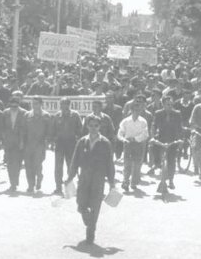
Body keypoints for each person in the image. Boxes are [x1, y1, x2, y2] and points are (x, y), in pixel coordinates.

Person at [66, 114, 116, 245]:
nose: (93, 128)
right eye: (91, 125)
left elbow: (110, 163)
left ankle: (91, 230)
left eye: (96, 126)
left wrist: (112, 182)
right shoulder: (82, 141)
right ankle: (87, 218)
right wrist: (70, 177)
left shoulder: (105, 143)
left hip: (98, 178)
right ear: (87, 126)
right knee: (81, 202)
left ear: (100, 127)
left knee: (95, 204)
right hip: (84, 177)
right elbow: (74, 161)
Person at [151, 95, 183, 192]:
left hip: (172, 139)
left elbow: (179, 128)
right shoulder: (158, 113)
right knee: (153, 148)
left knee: (171, 160)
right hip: (161, 138)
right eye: (167, 104)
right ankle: (156, 164)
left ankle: (171, 180)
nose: (169, 106)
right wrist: (152, 137)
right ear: (163, 105)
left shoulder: (177, 114)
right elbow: (153, 125)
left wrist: (180, 139)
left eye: (171, 104)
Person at [118, 97, 149, 192]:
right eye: (135, 110)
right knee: (127, 163)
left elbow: (145, 134)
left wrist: (135, 139)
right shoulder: (126, 121)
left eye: (139, 110)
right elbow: (120, 132)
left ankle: (133, 182)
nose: (137, 112)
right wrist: (123, 139)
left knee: (137, 164)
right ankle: (125, 181)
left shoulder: (143, 121)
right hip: (128, 144)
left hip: (138, 144)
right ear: (131, 110)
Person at [53, 97, 83, 195]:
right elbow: (53, 130)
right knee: (58, 167)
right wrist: (52, 141)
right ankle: (58, 187)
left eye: (66, 104)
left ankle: (70, 186)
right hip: (60, 144)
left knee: (71, 165)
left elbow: (80, 130)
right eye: (62, 104)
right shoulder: (57, 116)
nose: (64, 106)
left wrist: (79, 143)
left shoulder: (75, 115)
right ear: (60, 105)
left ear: (69, 105)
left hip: (71, 143)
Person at [24, 97, 52, 193]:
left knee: (37, 164)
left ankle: (39, 178)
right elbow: (23, 130)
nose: (34, 105)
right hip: (28, 144)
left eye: (36, 103)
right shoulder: (27, 115)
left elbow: (49, 131)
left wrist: (48, 142)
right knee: (28, 165)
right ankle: (31, 185)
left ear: (41, 104)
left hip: (40, 144)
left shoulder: (46, 115)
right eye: (33, 103)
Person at [2, 96, 27, 192]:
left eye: (15, 106)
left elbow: (24, 129)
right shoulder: (5, 113)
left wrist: (22, 141)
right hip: (8, 142)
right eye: (12, 106)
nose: (13, 108)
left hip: (19, 142)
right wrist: (3, 140)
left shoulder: (24, 113)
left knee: (17, 163)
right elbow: (2, 127)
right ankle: (12, 182)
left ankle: (15, 181)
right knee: (9, 163)